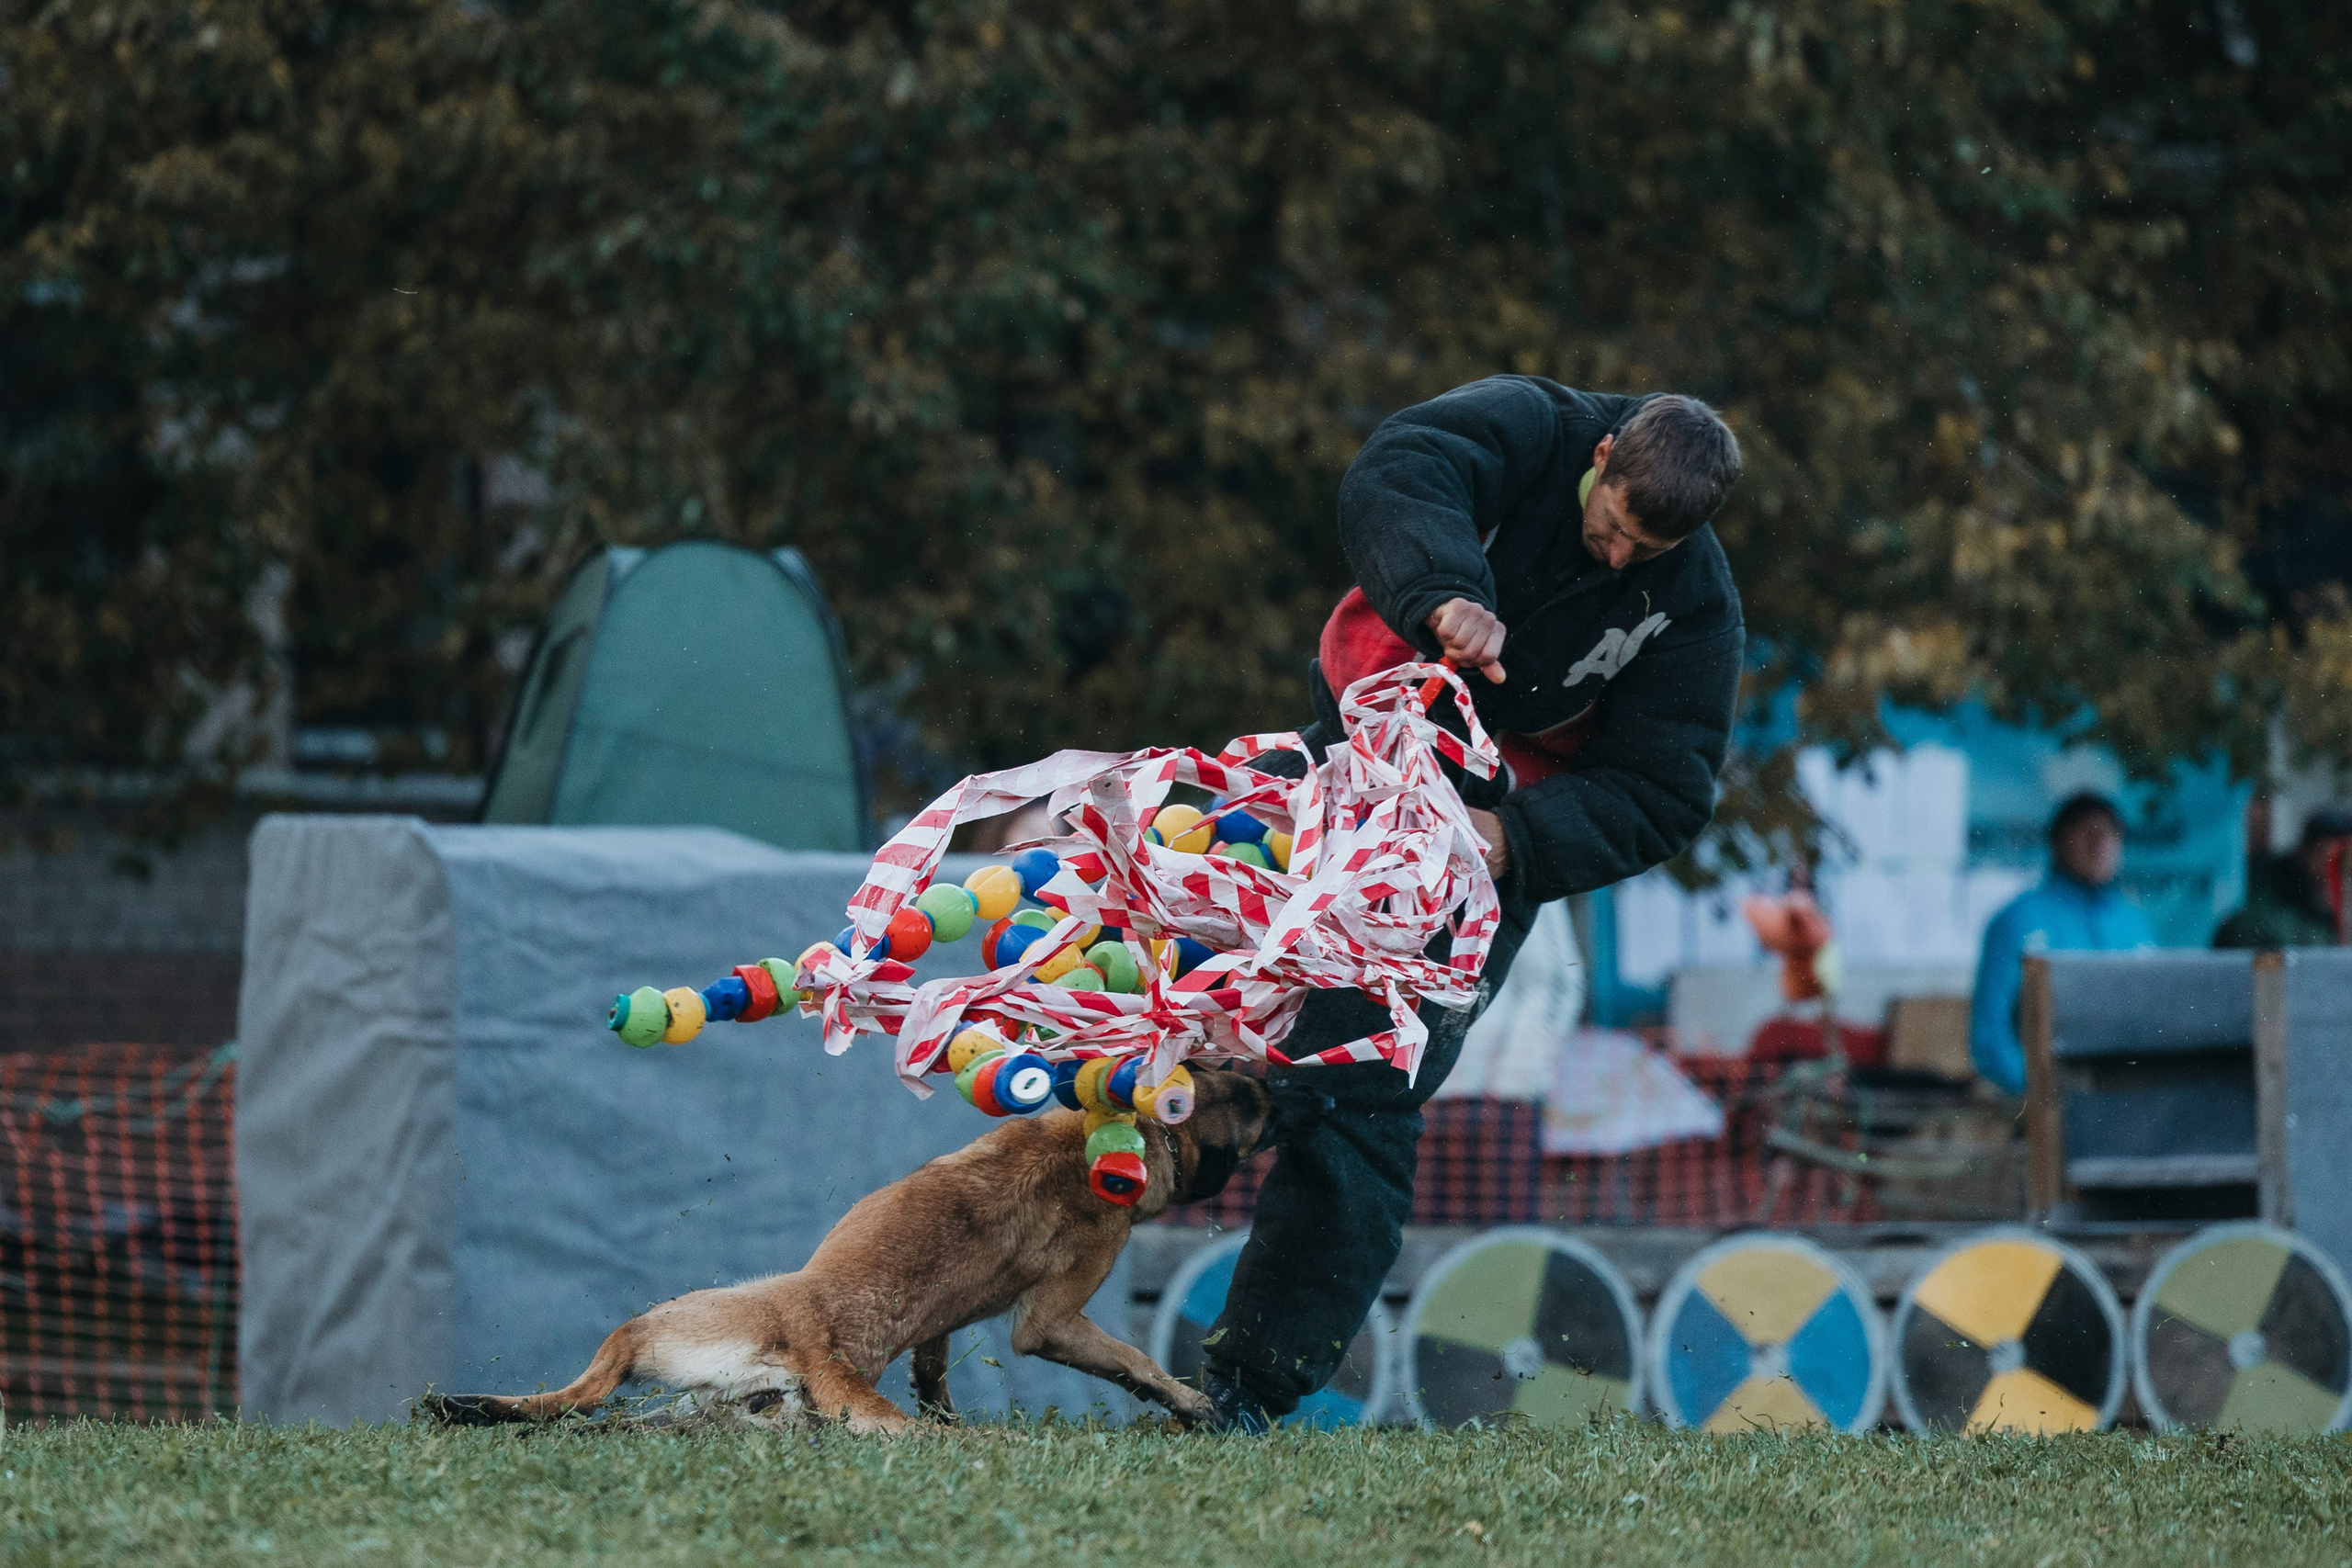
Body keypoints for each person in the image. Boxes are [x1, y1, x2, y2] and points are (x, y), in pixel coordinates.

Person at [1201, 377, 1746, 1430]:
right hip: (1356, 758)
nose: (1619, 556)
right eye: (1616, 525)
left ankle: (1247, 1392)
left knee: (1366, 1086)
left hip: (1483, 851)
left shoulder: (1695, 605)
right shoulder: (1532, 424)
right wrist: (1444, 590)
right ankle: (1109, 1175)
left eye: (1648, 549)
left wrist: (1513, 843)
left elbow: (1668, 790)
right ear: (1602, 457)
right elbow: (1398, 466)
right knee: (1203, 1001)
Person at [1967, 793, 2156, 1095]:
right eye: (2087, 832)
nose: (2100, 844)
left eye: (2109, 833)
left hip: (2128, 1105)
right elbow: (1990, 1034)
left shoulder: (2133, 924)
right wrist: (2042, 1094)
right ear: (2058, 842)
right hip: (2046, 1108)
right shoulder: (2018, 920)